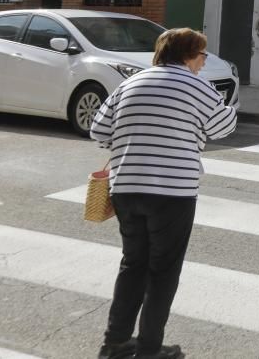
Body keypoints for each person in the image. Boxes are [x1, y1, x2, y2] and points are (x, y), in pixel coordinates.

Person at [91, 28, 238, 359]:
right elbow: (223, 128)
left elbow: (98, 130)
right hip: (172, 192)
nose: (203, 62)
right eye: (201, 55)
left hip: (126, 187)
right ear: (188, 55)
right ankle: (148, 349)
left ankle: (114, 343)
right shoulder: (197, 86)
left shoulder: (130, 83)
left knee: (133, 264)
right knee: (163, 270)